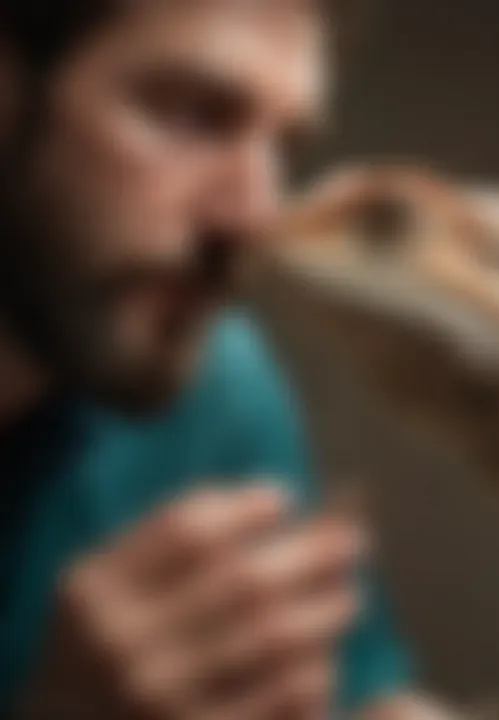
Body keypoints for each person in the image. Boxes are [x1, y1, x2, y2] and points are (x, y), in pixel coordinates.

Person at [0, 1, 464, 718]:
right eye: (193, 117)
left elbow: (362, 703)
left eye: (285, 150)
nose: (254, 220)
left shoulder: (213, 383)